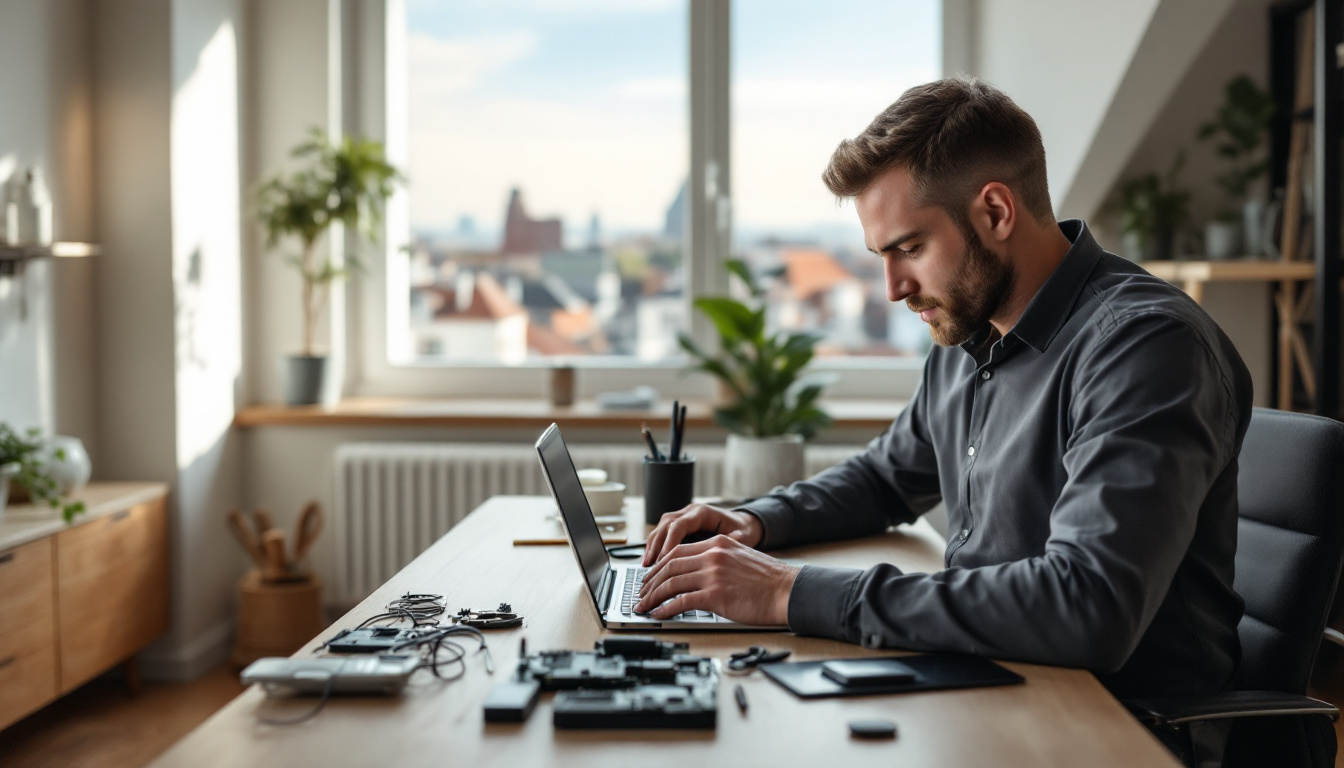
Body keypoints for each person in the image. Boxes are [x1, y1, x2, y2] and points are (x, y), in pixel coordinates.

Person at [634, 76, 1252, 700]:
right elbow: (885, 478)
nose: (893, 288)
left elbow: (1087, 604)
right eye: (881, 255)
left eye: (910, 248)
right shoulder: (968, 331)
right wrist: (753, 522)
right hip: (991, 678)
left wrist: (785, 591)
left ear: (996, 212)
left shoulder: (1144, 347)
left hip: (1120, 721)